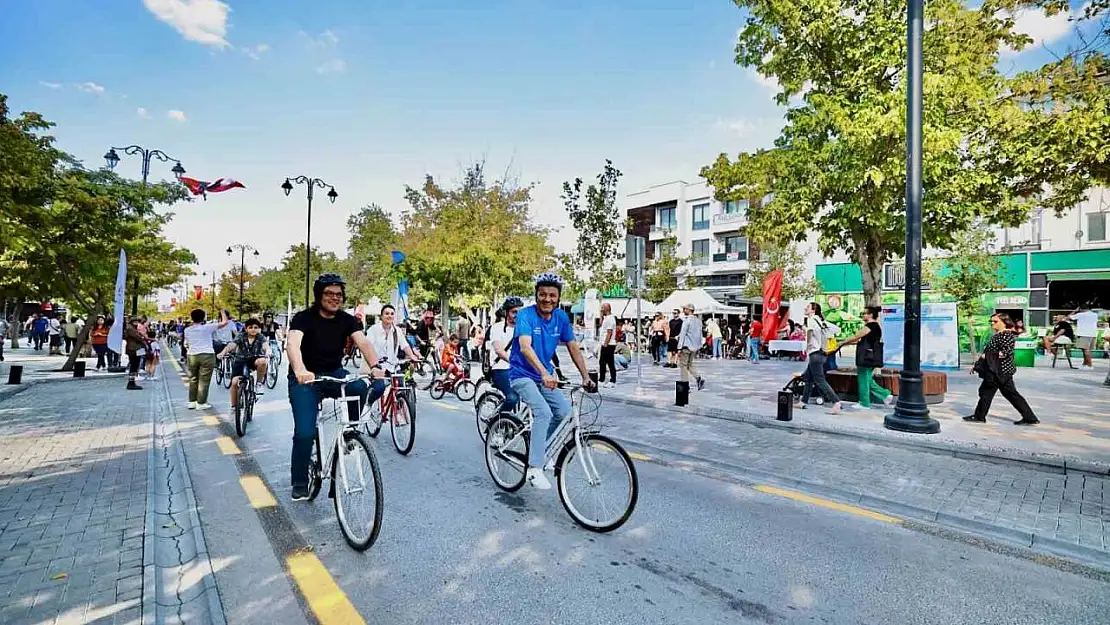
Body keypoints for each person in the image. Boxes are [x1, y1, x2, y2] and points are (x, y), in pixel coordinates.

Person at [286, 273, 381, 501]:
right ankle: (299, 481)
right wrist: (299, 369)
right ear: (319, 295)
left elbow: (364, 342)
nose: (334, 298)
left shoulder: (348, 320)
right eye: (329, 293)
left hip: (334, 374)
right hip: (307, 379)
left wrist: (376, 366)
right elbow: (292, 344)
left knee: (359, 386)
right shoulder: (303, 318)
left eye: (338, 294)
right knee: (305, 432)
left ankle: (350, 431)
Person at [509, 272, 595, 490]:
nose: (547, 299)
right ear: (536, 295)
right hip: (521, 374)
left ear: (558, 298)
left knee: (564, 413)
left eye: (552, 295)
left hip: (544, 375)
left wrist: (585, 376)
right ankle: (535, 468)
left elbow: (573, 347)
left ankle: (541, 451)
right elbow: (525, 347)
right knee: (543, 412)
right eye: (543, 294)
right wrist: (545, 373)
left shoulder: (561, 318)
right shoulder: (525, 315)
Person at [964, 313, 1039, 425]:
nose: (992, 323)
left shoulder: (1006, 335)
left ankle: (979, 416)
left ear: (1004, 322)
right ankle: (1030, 417)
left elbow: (1005, 352)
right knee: (1009, 394)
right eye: (991, 321)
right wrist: (978, 365)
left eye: (995, 321)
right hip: (999, 371)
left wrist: (987, 355)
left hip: (999, 371)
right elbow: (988, 352)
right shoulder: (998, 335)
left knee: (987, 392)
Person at [838, 306, 894, 408]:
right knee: (868, 379)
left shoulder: (870, 326)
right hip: (871, 356)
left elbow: (856, 336)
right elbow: (862, 340)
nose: (863, 315)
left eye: (865, 313)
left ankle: (864, 403)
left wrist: (842, 342)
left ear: (870, 315)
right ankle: (885, 395)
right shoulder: (875, 326)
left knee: (863, 379)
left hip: (866, 357)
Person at [365, 304, 420, 407]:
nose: (389, 316)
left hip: (393, 366)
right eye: (386, 314)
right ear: (381, 316)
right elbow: (367, 347)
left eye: (391, 314)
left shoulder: (397, 331)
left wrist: (412, 356)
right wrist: (373, 364)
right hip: (377, 366)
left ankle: (397, 412)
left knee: (401, 387)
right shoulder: (373, 330)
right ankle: (368, 405)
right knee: (379, 388)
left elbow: (405, 345)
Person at [217, 318, 271, 412]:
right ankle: (234, 406)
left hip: (254, 360)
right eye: (250, 327)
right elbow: (232, 345)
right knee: (234, 382)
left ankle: (258, 384)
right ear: (246, 329)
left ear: (259, 329)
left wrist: (268, 352)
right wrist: (223, 352)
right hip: (240, 360)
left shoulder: (260, 337)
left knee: (263, 361)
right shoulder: (241, 336)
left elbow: (266, 346)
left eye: (256, 327)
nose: (253, 329)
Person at [798, 302, 842, 413]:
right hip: (821, 353)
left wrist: (807, 345)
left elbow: (810, 331)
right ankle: (803, 402)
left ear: (813, 310)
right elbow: (836, 329)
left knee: (819, 380)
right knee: (808, 378)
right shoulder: (821, 321)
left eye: (807, 307)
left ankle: (836, 402)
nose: (805, 308)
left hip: (815, 354)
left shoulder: (812, 319)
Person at [184, 309, 230, 409]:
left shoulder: (187, 330)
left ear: (192, 318)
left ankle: (192, 402)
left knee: (193, 378)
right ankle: (201, 403)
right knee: (204, 380)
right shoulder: (208, 327)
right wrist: (222, 311)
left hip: (192, 355)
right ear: (203, 317)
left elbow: (186, 343)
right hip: (207, 355)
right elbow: (225, 322)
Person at [488, 297, 523, 416]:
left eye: (520, 312)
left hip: (519, 370)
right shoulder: (497, 328)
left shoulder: (524, 328)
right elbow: (499, 350)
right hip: (501, 369)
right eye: (514, 312)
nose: (517, 315)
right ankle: (495, 421)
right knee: (512, 398)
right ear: (507, 312)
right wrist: (515, 362)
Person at [676, 303, 705, 390]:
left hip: (686, 346)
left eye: (685, 309)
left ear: (689, 310)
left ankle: (685, 385)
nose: (683, 311)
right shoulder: (698, 321)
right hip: (695, 347)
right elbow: (700, 334)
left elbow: (683, 334)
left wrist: (679, 347)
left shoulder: (687, 320)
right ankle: (698, 378)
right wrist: (699, 345)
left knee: (683, 366)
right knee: (689, 364)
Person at [1069, 305, 1098, 370]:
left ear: (1081, 309)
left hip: (1083, 334)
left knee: (1085, 350)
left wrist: (1075, 311)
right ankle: (1085, 364)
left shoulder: (1080, 314)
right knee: (1086, 350)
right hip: (1093, 334)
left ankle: (1090, 365)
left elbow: (1069, 317)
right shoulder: (1095, 314)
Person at [598, 303, 618, 387]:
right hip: (605, 343)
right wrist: (601, 316)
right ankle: (602, 379)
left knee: (610, 363)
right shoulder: (606, 318)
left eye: (602, 308)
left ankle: (612, 380)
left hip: (609, 344)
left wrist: (606, 343)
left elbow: (609, 333)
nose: (601, 309)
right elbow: (601, 324)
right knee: (602, 362)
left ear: (607, 309)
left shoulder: (610, 319)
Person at [124, 318, 146, 390]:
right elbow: (138, 337)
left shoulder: (133, 328)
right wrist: (142, 338)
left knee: (135, 365)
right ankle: (131, 383)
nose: (136, 323)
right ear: (131, 322)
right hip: (133, 349)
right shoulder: (130, 328)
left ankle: (132, 382)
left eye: (137, 321)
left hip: (136, 348)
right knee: (134, 365)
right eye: (135, 321)